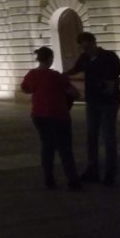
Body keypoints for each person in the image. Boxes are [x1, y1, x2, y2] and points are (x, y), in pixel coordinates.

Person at [65, 31, 120, 186]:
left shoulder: (109, 56)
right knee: (91, 137)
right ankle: (93, 170)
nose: (84, 50)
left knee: (108, 137)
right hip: (92, 101)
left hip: (109, 102)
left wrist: (114, 84)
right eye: (82, 48)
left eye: (86, 47)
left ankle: (110, 173)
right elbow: (74, 70)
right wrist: (57, 76)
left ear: (93, 43)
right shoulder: (84, 58)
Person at [21, 46, 82, 190]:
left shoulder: (32, 74)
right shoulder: (55, 76)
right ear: (49, 59)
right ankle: (72, 181)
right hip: (58, 114)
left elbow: (25, 88)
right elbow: (74, 93)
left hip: (39, 115)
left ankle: (49, 179)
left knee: (47, 147)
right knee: (65, 149)